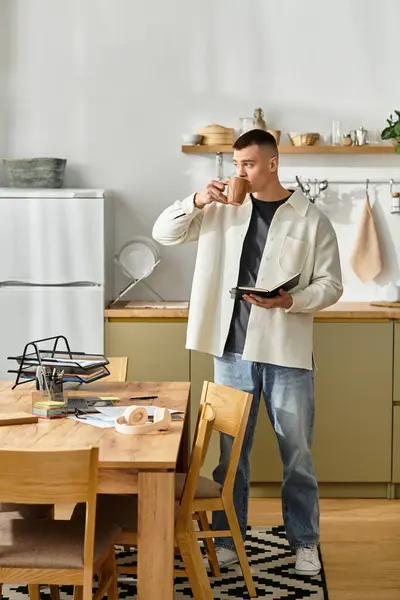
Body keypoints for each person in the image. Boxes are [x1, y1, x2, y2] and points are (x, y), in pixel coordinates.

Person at [152, 129, 342, 576]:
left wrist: (289, 301)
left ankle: (305, 542)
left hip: (286, 352)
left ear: (273, 164)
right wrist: (197, 200)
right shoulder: (219, 209)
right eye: (236, 165)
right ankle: (227, 538)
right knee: (231, 456)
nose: (240, 173)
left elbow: (331, 285)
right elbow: (164, 234)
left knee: (297, 455)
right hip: (230, 351)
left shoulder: (311, 219)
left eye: (249, 165)